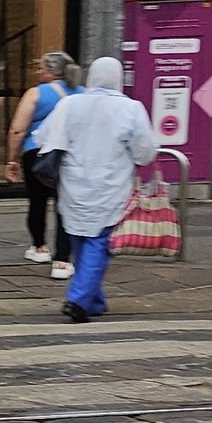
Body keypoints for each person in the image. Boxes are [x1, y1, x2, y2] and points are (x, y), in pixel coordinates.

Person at [31, 56, 157, 323]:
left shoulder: (70, 103)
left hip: (74, 184)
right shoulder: (131, 109)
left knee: (79, 239)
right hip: (110, 186)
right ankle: (78, 300)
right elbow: (145, 152)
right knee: (99, 243)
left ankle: (93, 300)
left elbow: (42, 137)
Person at [5, 50, 83, 278]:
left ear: (51, 71)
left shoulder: (36, 94)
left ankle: (39, 247)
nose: (37, 71)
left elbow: (18, 129)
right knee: (65, 206)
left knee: (37, 202)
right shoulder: (82, 93)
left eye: (40, 67)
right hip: (70, 154)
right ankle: (63, 260)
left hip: (38, 154)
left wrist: (12, 159)